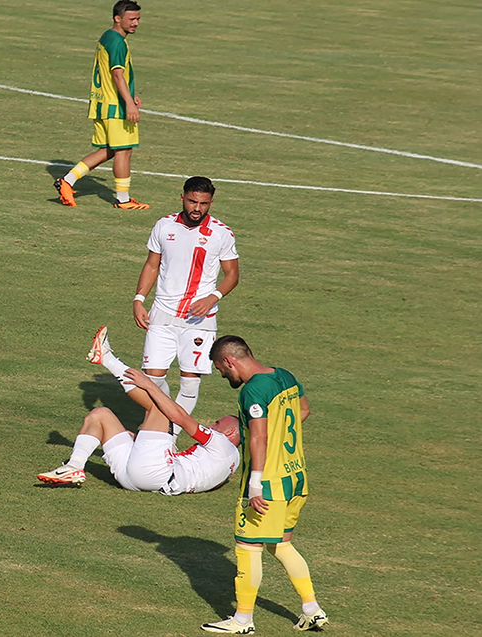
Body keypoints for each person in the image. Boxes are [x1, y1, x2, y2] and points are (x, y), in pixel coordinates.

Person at [201, 335, 328, 634]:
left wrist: (255, 486)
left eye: (221, 368)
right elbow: (304, 411)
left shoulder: (253, 391)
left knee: (248, 548)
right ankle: (312, 609)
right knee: (281, 545)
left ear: (230, 361)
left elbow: (258, 436)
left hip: (268, 483)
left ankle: (242, 620)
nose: (222, 374)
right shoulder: (284, 376)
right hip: (296, 477)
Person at [38, 328, 239, 494]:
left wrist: (149, 385)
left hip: (155, 474)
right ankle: (73, 467)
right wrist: (141, 442)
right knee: (100, 415)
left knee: (162, 408)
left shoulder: (220, 443)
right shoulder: (230, 464)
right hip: (139, 476)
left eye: (218, 423)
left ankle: (107, 359)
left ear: (230, 432)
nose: (212, 425)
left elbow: (180, 417)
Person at [132, 177, 239, 421]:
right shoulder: (164, 226)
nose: (197, 208)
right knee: (152, 378)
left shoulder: (221, 234)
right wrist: (139, 299)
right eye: (192, 201)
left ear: (211, 202)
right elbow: (151, 265)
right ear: (182, 198)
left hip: (199, 320)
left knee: (189, 382)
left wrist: (213, 297)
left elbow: (232, 275)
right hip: (162, 313)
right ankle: (163, 421)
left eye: (204, 203)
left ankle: (171, 434)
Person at [54, 0, 148, 210]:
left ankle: (67, 181)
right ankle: (123, 200)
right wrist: (128, 104)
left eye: (138, 19)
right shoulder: (117, 42)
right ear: (117, 18)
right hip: (115, 107)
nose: (136, 23)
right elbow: (117, 75)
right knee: (124, 150)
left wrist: (131, 95)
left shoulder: (107, 36)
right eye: (131, 19)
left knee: (109, 150)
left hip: (102, 103)